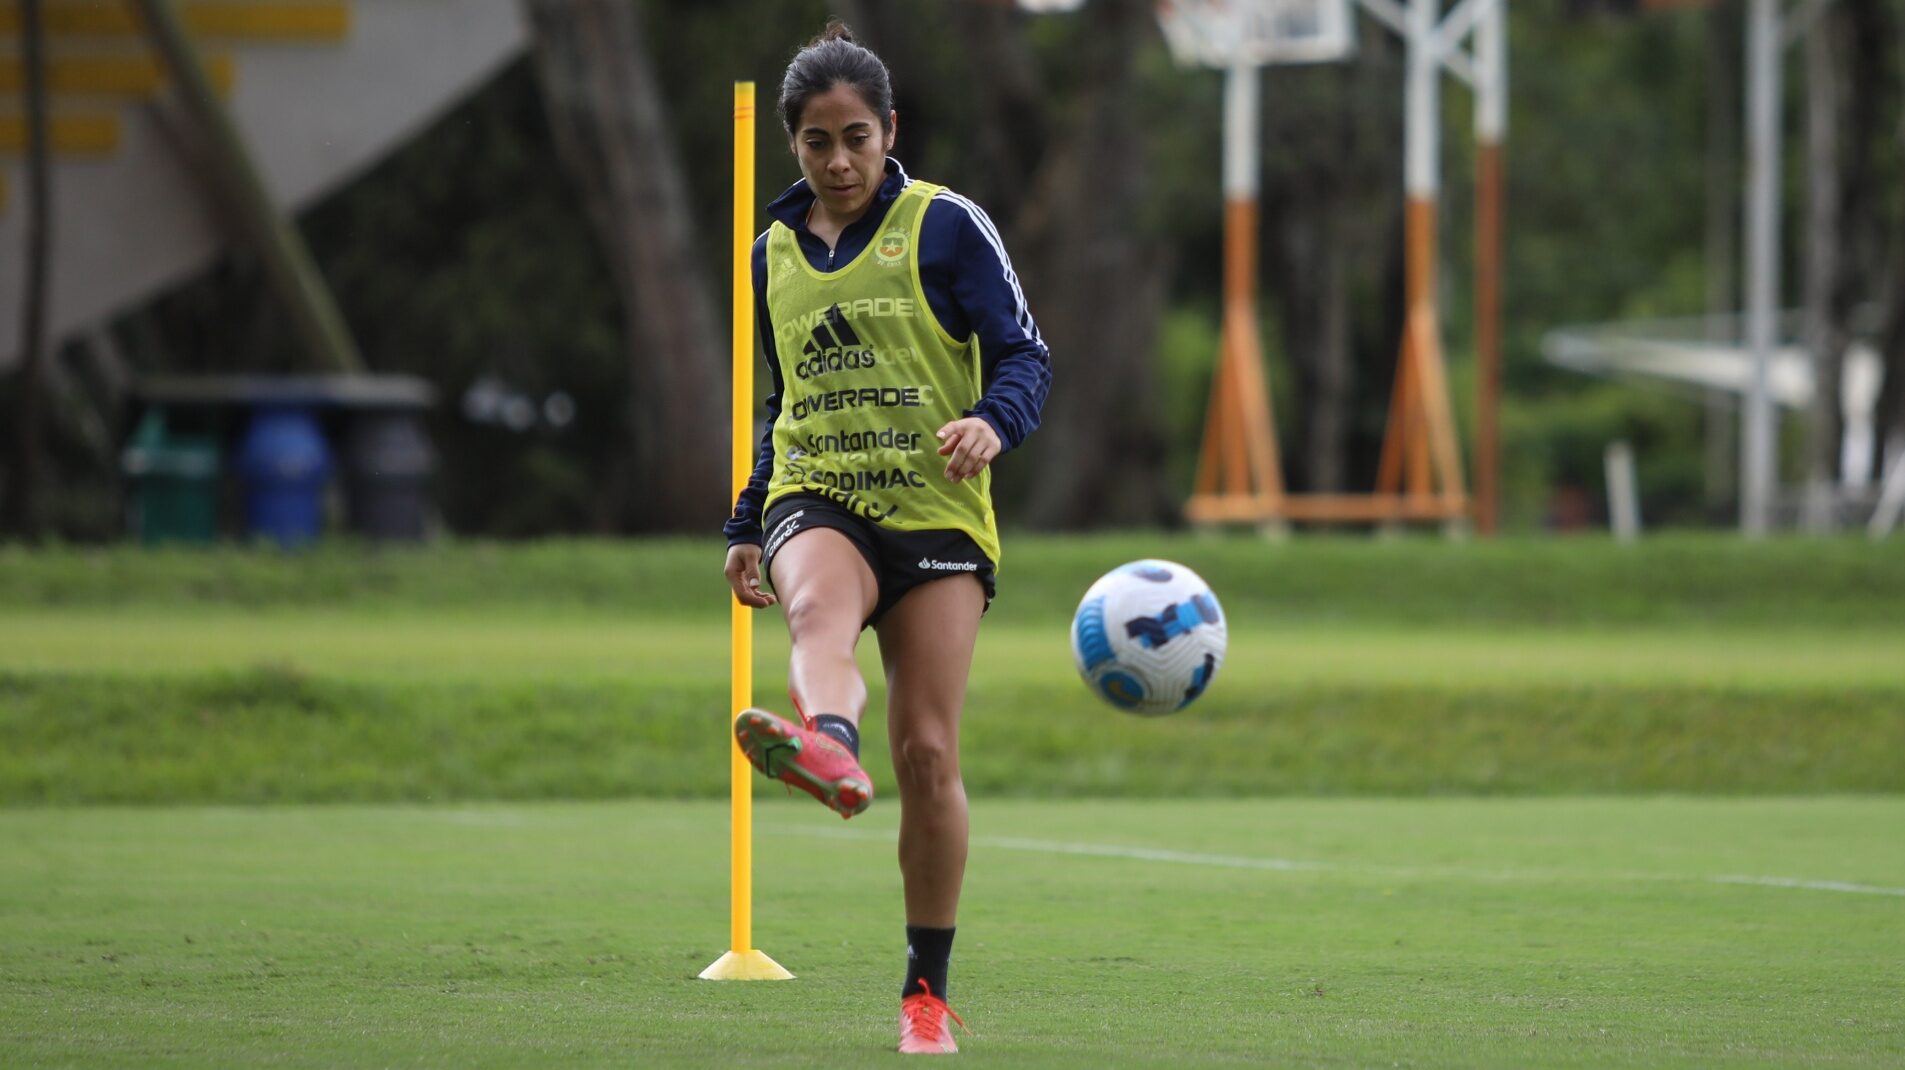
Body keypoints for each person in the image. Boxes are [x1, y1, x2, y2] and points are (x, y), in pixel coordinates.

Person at [721, 20, 1052, 1057]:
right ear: (793, 146)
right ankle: (829, 745)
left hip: (939, 510)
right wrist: (746, 518)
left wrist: (993, 419)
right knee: (817, 604)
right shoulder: (770, 252)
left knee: (933, 749)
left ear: (889, 130)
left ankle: (925, 993)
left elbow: (1026, 356)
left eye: (856, 137)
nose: (839, 160)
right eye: (818, 143)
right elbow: (784, 401)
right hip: (820, 491)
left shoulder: (948, 227)